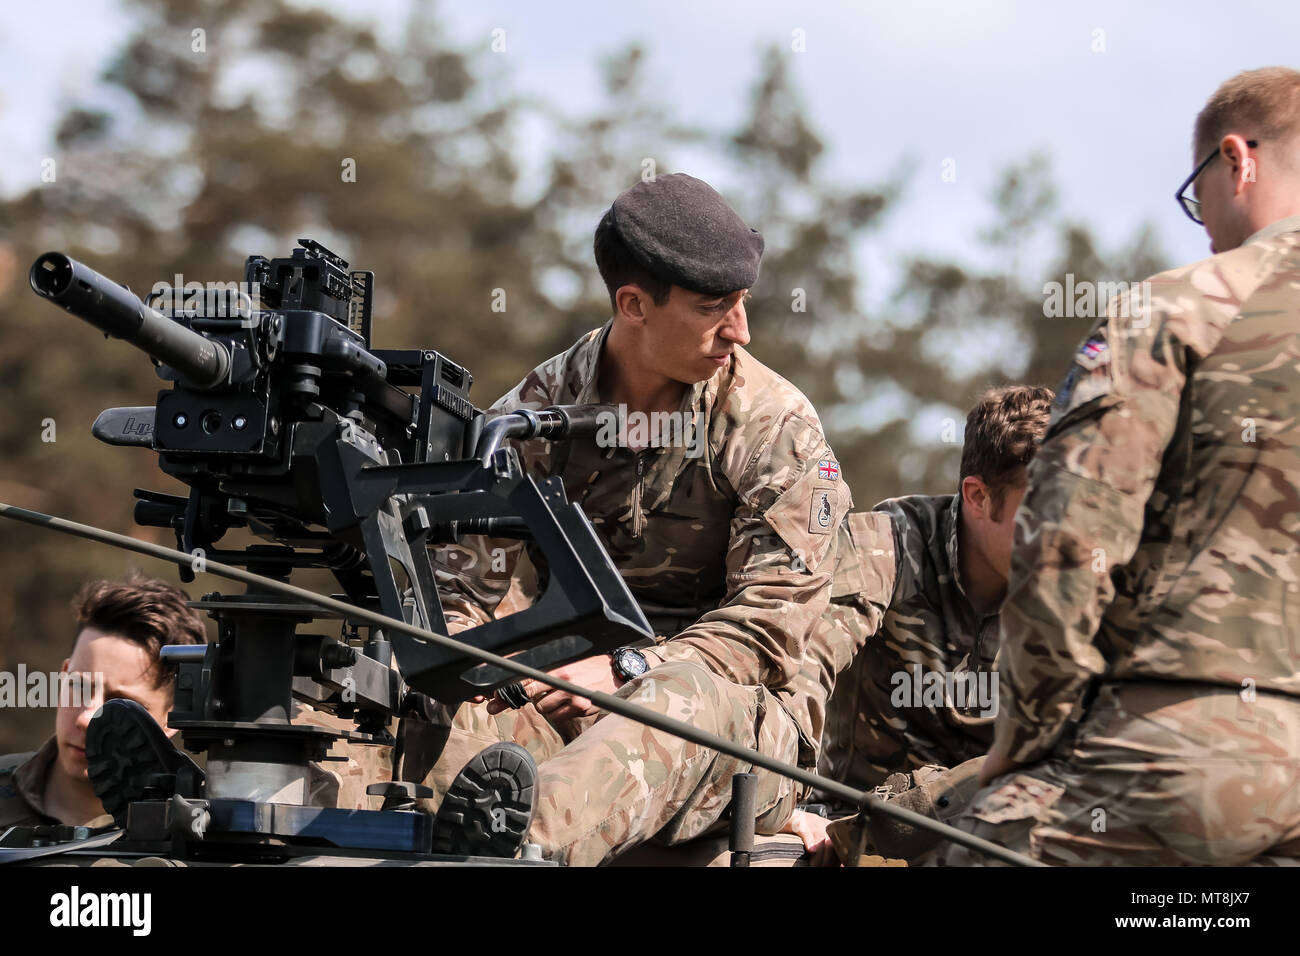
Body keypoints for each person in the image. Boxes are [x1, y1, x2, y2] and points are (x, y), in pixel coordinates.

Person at [395, 172, 851, 864]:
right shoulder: (532, 415)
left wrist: (631, 668)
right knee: (441, 692)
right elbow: (458, 595)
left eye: (742, 303)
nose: (741, 329)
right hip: (570, 700)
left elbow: (773, 624)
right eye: (713, 308)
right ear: (634, 304)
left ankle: (518, 852)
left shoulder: (773, 426)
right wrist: (488, 663)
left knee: (675, 699)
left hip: (743, 723)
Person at [940, 66, 1300, 865]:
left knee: (968, 848)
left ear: (1236, 161)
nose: (1201, 223)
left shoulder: (1177, 307)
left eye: (1195, 191)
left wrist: (1024, 737)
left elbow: (1069, 537)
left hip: (1181, 751)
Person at [805, 386, 1053, 863]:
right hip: (852, 836)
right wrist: (783, 802)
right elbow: (794, 660)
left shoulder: (1082, 585)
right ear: (978, 496)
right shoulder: (891, 544)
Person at [0, 576, 207, 829]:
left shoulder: (193, 831)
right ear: (64, 674)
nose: (86, 719)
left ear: (174, 715)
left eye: (119, 704)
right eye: (80, 686)